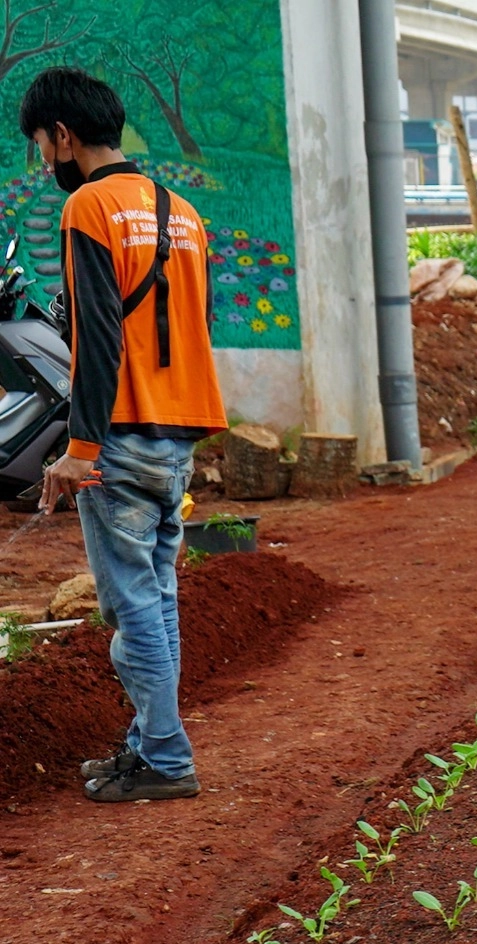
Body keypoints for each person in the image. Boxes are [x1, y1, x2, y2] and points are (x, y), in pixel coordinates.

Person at [25, 67, 226, 802]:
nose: (43, 162)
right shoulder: (182, 210)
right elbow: (199, 324)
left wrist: (79, 452)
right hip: (178, 429)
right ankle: (148, 744)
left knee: (132, 602)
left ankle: (166, 757)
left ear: (64, 136)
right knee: (159, 594)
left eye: (41, 146)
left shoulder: (88, 208)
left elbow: (101, 340)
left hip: (121, 433)